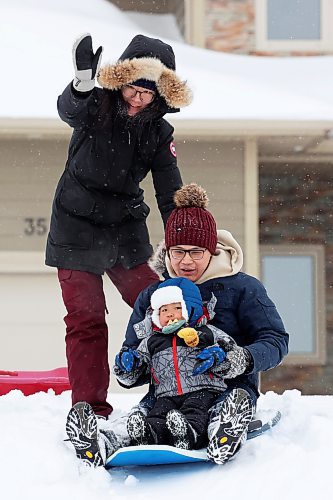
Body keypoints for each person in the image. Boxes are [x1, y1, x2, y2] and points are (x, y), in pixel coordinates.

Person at [65, 182, 288, 467]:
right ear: (167, 252)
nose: (186, 261)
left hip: (226, 390)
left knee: (219, 409)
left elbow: (275, 340)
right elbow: (136, 350)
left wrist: (239, 359)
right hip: (166, 396)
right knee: (140, 418)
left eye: (196, 252)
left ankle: (224, 429)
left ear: (212, 250)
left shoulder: (243, 288)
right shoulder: (154, 297)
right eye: (178, 251)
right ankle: (103, 442)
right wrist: (130, 368)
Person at [45, 33, 192, 420]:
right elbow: (69, 110)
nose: (138, 98)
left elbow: (169, 189)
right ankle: (90, 410)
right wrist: (80, 84)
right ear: (120, 80)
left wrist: (184, 239)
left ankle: (180, 395)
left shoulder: (159, 133)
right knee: (87, 318)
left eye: (148, 91)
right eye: (132, 87)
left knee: (162, 307)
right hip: (75, 229)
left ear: (161, 93)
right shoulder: (97, 105)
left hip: (124, 231)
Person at [115, 276, 238, 451]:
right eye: (164, 310)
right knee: (158, 414)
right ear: (156, 315)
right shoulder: (151, 341)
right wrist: (130, 364)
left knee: (195, 411)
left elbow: (229, 346)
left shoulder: (206, 332)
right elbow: (141, 362)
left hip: (202, 389)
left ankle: (189, 434)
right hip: (166, 394)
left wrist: (220, 355)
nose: (171, 313)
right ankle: (149, 434)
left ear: (190, 308)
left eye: (177, 307)